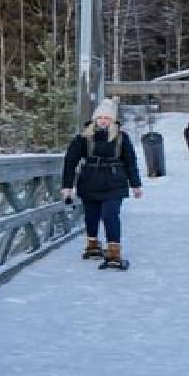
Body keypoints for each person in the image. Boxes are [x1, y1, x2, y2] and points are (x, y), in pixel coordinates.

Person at [61, 98, 144, 269]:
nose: (103, 121)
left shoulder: (121, 137)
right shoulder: (83, 138)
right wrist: (67, 186)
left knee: (110, 215)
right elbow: (70, 161)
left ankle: (114, 252)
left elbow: (130, 162)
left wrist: (135, 185)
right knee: (91, 216)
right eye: (100, 117)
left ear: (112, 120)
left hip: (114, 183)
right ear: (95, 119)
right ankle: (92, 245)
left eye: (107, 118)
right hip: (89, 182)